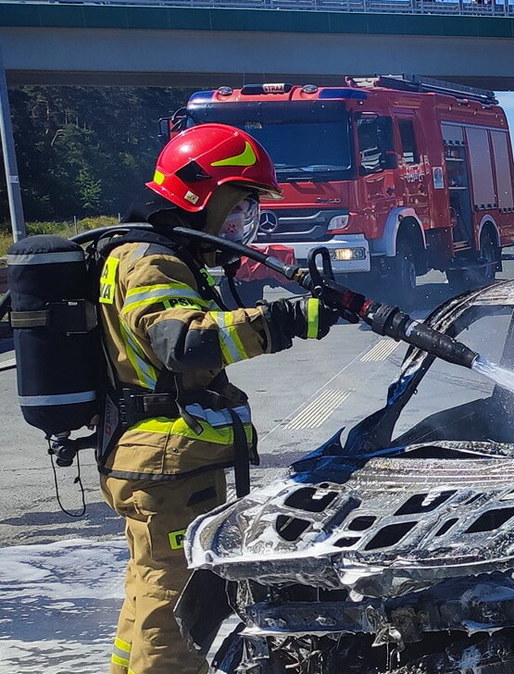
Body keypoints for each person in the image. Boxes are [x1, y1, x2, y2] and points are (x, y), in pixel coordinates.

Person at [100, 123, 338, 674]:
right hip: (166, 466)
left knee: (147, 588)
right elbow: (184, 342)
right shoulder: (152, 261)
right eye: (238, 204)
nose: (240, 223)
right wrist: (283, 320)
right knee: (178, 613)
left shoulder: (144, 252)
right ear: (198, 192)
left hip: (153, 463)